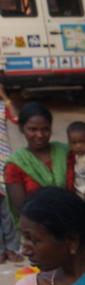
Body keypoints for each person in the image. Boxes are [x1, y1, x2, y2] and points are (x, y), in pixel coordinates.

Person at [4, 102, 85, 262]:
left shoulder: (69, 152)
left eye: (45, 129)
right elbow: (23, 208)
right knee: (60, 283)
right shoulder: (16, 165)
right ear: (22, 129)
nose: (40, 135)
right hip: (47, 239)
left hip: (83, 227)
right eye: (33, 129)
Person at [0, 83, 19, 263]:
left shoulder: (2, 108)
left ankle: (12, 248)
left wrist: (5, 98)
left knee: (8, 210)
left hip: (4, 163)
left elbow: (17, 118)